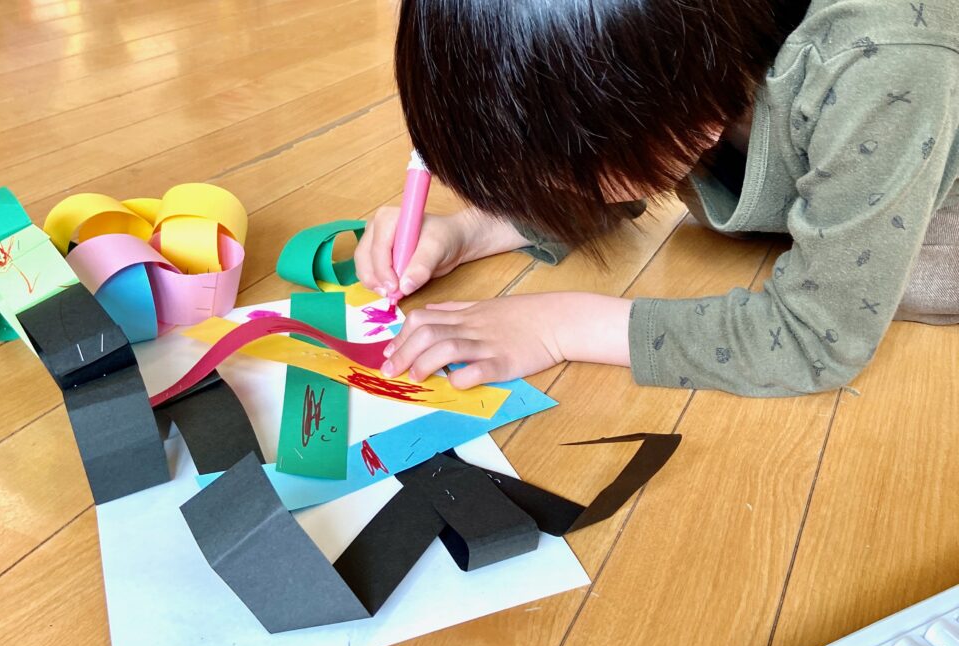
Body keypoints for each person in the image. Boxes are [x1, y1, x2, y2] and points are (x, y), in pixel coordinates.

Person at [353, 0, 959, 395]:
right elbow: (620, 173)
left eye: (560, 174)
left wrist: (559, 325)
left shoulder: (882, 59)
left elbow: (816, 337)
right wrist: (467, 231)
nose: (548, 193)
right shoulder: (682, 50)